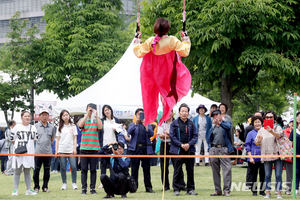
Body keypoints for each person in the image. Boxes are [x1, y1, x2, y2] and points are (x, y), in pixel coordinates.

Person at [133, 17, 191, 126]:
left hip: (153, 72)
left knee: (150, 93)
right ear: (167, 28)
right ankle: (166, 113)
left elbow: (139, 53)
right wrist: (185, 38)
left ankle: (154, 116)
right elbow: (185, 51)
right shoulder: (172, 40)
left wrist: (137, 41)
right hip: (168, 72)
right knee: (169, 92)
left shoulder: (151, 41)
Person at [170, 103, 198, 196]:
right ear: (179, 112)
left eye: (186, 111)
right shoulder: (174, 123)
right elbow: (172, 136)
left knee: (190, 170)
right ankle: (176, 189)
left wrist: (188, 144)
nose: (184, 113)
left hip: (189, 150)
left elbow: (195, 136)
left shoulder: (191, 123)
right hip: (178, 150)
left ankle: (190, 189)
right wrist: (181, 144)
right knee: (177, 170)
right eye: (182, 111)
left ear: (188, 113)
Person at [255, 110, 283, 199]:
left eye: (271, 117)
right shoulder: (261, 130)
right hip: (266, 154)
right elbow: (257, 142)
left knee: (278, 174)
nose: (269, 118)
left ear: (274, 119)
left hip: (277, 153)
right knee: (267, 175)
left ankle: (279, 193)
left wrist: (271, 131)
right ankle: (268, 193)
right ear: (264, 119)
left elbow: (279, 135)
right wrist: (258, 140)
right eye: (267, 117)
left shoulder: (277, 127)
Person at [10, 111, 38, 196]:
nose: (27, 118)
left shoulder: (33, 127)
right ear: (21, 117)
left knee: (27, 171)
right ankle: (15, 190)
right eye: (25, 116)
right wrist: (19, 147)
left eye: (28, 116)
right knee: (17, 170)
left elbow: (34, 139)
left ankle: (28, 189)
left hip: (29, 152)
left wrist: (28, 147)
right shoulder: (17, 127)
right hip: (19, 151)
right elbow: (12, 139)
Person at [128, 108, 155, 193]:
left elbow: (151, 134)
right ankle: (133, 187)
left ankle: (148, 187)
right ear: (136, 115)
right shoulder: (132, 124)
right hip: (135, 149)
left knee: (146, 169)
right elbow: (129, 131)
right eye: (139, 114)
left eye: (142, 114)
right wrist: (136, 123)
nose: (140, 116)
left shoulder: (148, 124)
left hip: (145, 149)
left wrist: (145, 124)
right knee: (134, 169)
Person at [207, 109, 233, 197]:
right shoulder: (212, 127)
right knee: (215, 171)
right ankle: (217, 190)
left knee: (227, 170)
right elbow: (208, 138)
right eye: (213, 116)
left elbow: (229, 127)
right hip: (214, 149)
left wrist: (220, 123)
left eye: (216, 115)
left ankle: (226, 191)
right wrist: (210, 148)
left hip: (223, 149)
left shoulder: (226, 123)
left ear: (220, 115)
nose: (215, 117)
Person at [78, 103, 103, 195]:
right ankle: (83, 189)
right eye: (89, 109)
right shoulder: (82, 119)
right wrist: (86, 114)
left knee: (93, 169)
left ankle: (92, 188)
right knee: (84, 169)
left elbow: (100, 127)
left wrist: (96, 115)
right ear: (86, 110)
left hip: (94, 148)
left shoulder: (97, 120)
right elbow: (80, 126)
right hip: (84, 148)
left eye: (92, 109)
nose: (91, 111)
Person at [33, 108, 55, 193]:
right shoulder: (35, 126)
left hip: (48, 152)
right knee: (36, 171)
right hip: (38, 152)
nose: (44, 116)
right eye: (42, 115)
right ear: (39, 116)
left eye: (46, 115)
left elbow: (52, 139)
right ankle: (36, 187)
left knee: (47, 171)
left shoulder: (52, 127)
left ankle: (45, 187)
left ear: (48, 116)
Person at [98, 105, 120, 188]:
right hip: (104, 145)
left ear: (111, 110)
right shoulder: (102, 121)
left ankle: (113, 180)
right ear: (103, 112)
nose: (107, 111)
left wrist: (117, 130)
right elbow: (99, 133)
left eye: (108, 109)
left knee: (113, 164)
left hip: (114, 145)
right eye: (105, 110)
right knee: (103, 164)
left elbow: (119, 132)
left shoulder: (116, 120)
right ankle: (102, 182)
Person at [56, 110, 78, 190]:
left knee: (73, 166)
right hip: (62, 149)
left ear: (69, 116)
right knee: (62, 167)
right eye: (64, 115)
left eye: (67, 115)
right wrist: (56, 150)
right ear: (61, 117)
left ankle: (74, 183)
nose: (65, 116)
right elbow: (57, 139)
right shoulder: (59, 127)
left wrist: (74, 148)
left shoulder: (73, 126)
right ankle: (64, 183)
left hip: (71, 149)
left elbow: (75, 138)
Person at [245, 116, 265, 196]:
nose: (257, 123)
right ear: (253, 124)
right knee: (253, 175)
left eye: (259, 122)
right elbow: (247, 146)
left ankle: (262, 191)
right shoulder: (250, 133)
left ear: (261, 123)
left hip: (263, 157)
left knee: (263, 175)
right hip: (253, 157)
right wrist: (250, 157)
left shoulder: (265, 132)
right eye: (255, 122)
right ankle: (254, 191)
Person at [289, 112, 300, 196]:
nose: (299, 118)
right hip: (296, 154)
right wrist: (290, 153)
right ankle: (296, 189)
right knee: (296, 172)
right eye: (298, 116)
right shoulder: (294, 130)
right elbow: (291, 143)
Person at [283, 118, 293, 195]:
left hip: (294, 156)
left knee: (292, 174)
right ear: (289, 123)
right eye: (291, 122)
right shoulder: (284, 131)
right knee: (288, 174)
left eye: (295, 122)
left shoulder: (297, 132)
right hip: (285, 156)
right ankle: (286, 189)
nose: (293, 124)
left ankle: (291, 189)